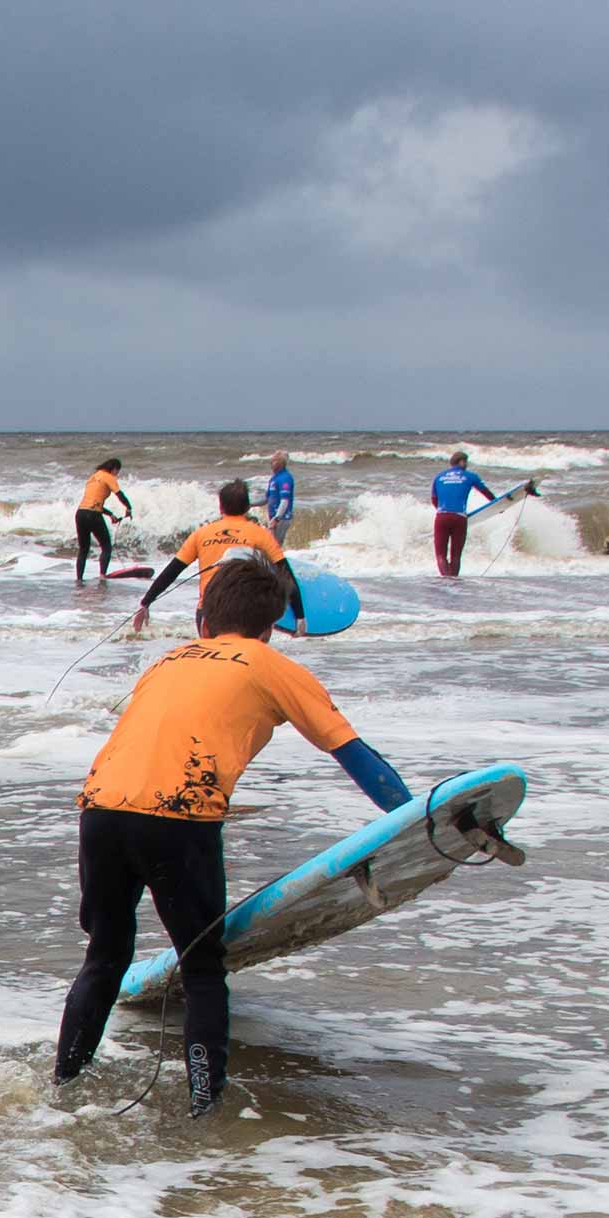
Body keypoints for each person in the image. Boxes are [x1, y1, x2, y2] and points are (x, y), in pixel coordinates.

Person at [53, 555, 414, 1117]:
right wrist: (415, 818)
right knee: (201, 968)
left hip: (100, 810)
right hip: (178, 816)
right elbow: (354, 755)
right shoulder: (271, 665)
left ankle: (64, 1086)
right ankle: (204, 1105)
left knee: (104, 956)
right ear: (269, 627)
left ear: (202, 617)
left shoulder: (167, 661)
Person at [132, 481, 303, 635]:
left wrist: (146, 602)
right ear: (247, 508)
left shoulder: (201, 534)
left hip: (208, 612)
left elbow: (172, 571)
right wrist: (300, 615)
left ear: (221, 507)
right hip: (247, 612)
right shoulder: (260, 534)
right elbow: (285, 574)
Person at [429, 452, 495, 577]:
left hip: (441, 517)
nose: (467, 464)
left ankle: (446, 579)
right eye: (466, 462)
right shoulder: (470, 476)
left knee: (440, 555)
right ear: (462, 462)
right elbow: (485, 492)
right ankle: (453, 581)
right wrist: (496, 503)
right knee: (456, 555)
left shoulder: (439, 477)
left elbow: (434, 500)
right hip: (459, 518)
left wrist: (445, 511)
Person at [75, 457, 134, 582]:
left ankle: (79, 580)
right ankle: (102, 576)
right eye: (117, 472)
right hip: (93, 515)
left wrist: (110, 514)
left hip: (80, 514)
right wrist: (128, 508)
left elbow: (92, 502)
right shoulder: (109, 477)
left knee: (83, 549)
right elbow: (119, 494)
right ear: (114, 469)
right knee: (106, 546)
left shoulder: (93, 477)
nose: (117, 475)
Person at [262, 451, 296, 545]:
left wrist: (276, 519)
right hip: (273, 517)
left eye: (274, 461)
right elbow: (267, 499)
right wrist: (250, 504)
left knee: (275, 546)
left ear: (281, 463)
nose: (271, 464)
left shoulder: (285, 478)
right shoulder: (274, 478)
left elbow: (284, 501)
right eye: (271, 461)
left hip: (282, 518)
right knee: (270, 545)